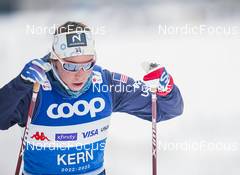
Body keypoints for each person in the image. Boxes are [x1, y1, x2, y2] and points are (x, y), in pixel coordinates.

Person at [0, 21, 183, 175]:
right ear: (54, 60)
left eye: (88, 64)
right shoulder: (36, 86)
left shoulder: (106, 83)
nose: (80, 74)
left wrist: (166, 89)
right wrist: (19, 84)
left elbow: (167, 109)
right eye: (70, 66)